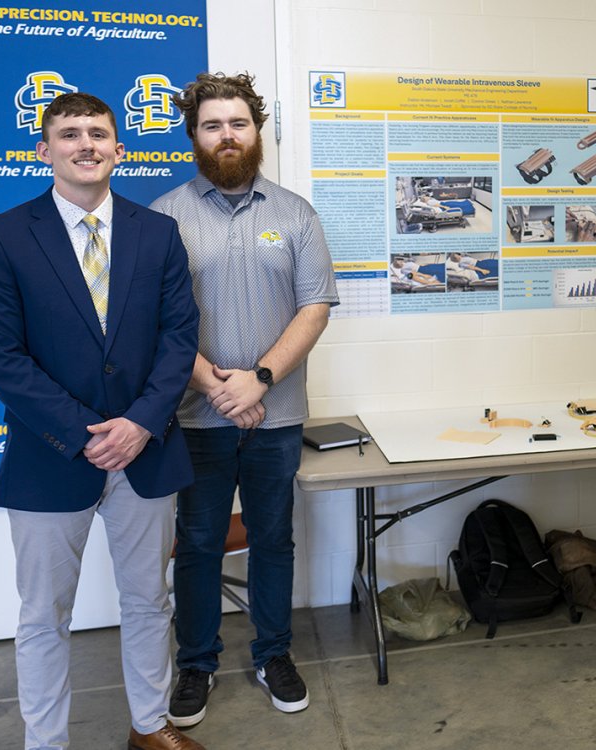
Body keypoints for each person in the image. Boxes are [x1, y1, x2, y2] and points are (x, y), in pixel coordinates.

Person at [0, 93, 202, 750]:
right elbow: (2, 358)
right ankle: (46, 743)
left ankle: (151, 727)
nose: (86, 144)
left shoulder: (157, 233)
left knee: (149, 602)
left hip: (146, 453)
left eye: (98, 133)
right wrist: (85, 432)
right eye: (69, 134)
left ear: (119, 149)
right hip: (50, 457)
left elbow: (180, 336)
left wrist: (139, 423)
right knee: (44, 616)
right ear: (44, 151)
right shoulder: (3, 236)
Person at [150, 72, 338, 728]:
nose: (227, 135)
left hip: (276, 414)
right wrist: (219, 387)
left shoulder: (294, 214)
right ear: (193, 135)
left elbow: (314, 308)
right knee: (198, 540)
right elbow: (152, 320)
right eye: (212, 125)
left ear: (256, 130)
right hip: (196, 417)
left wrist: (257, 379)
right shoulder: (162, 217)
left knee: (273, 537)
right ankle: (197, 662)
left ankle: (272, 653)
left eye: (238, 123)